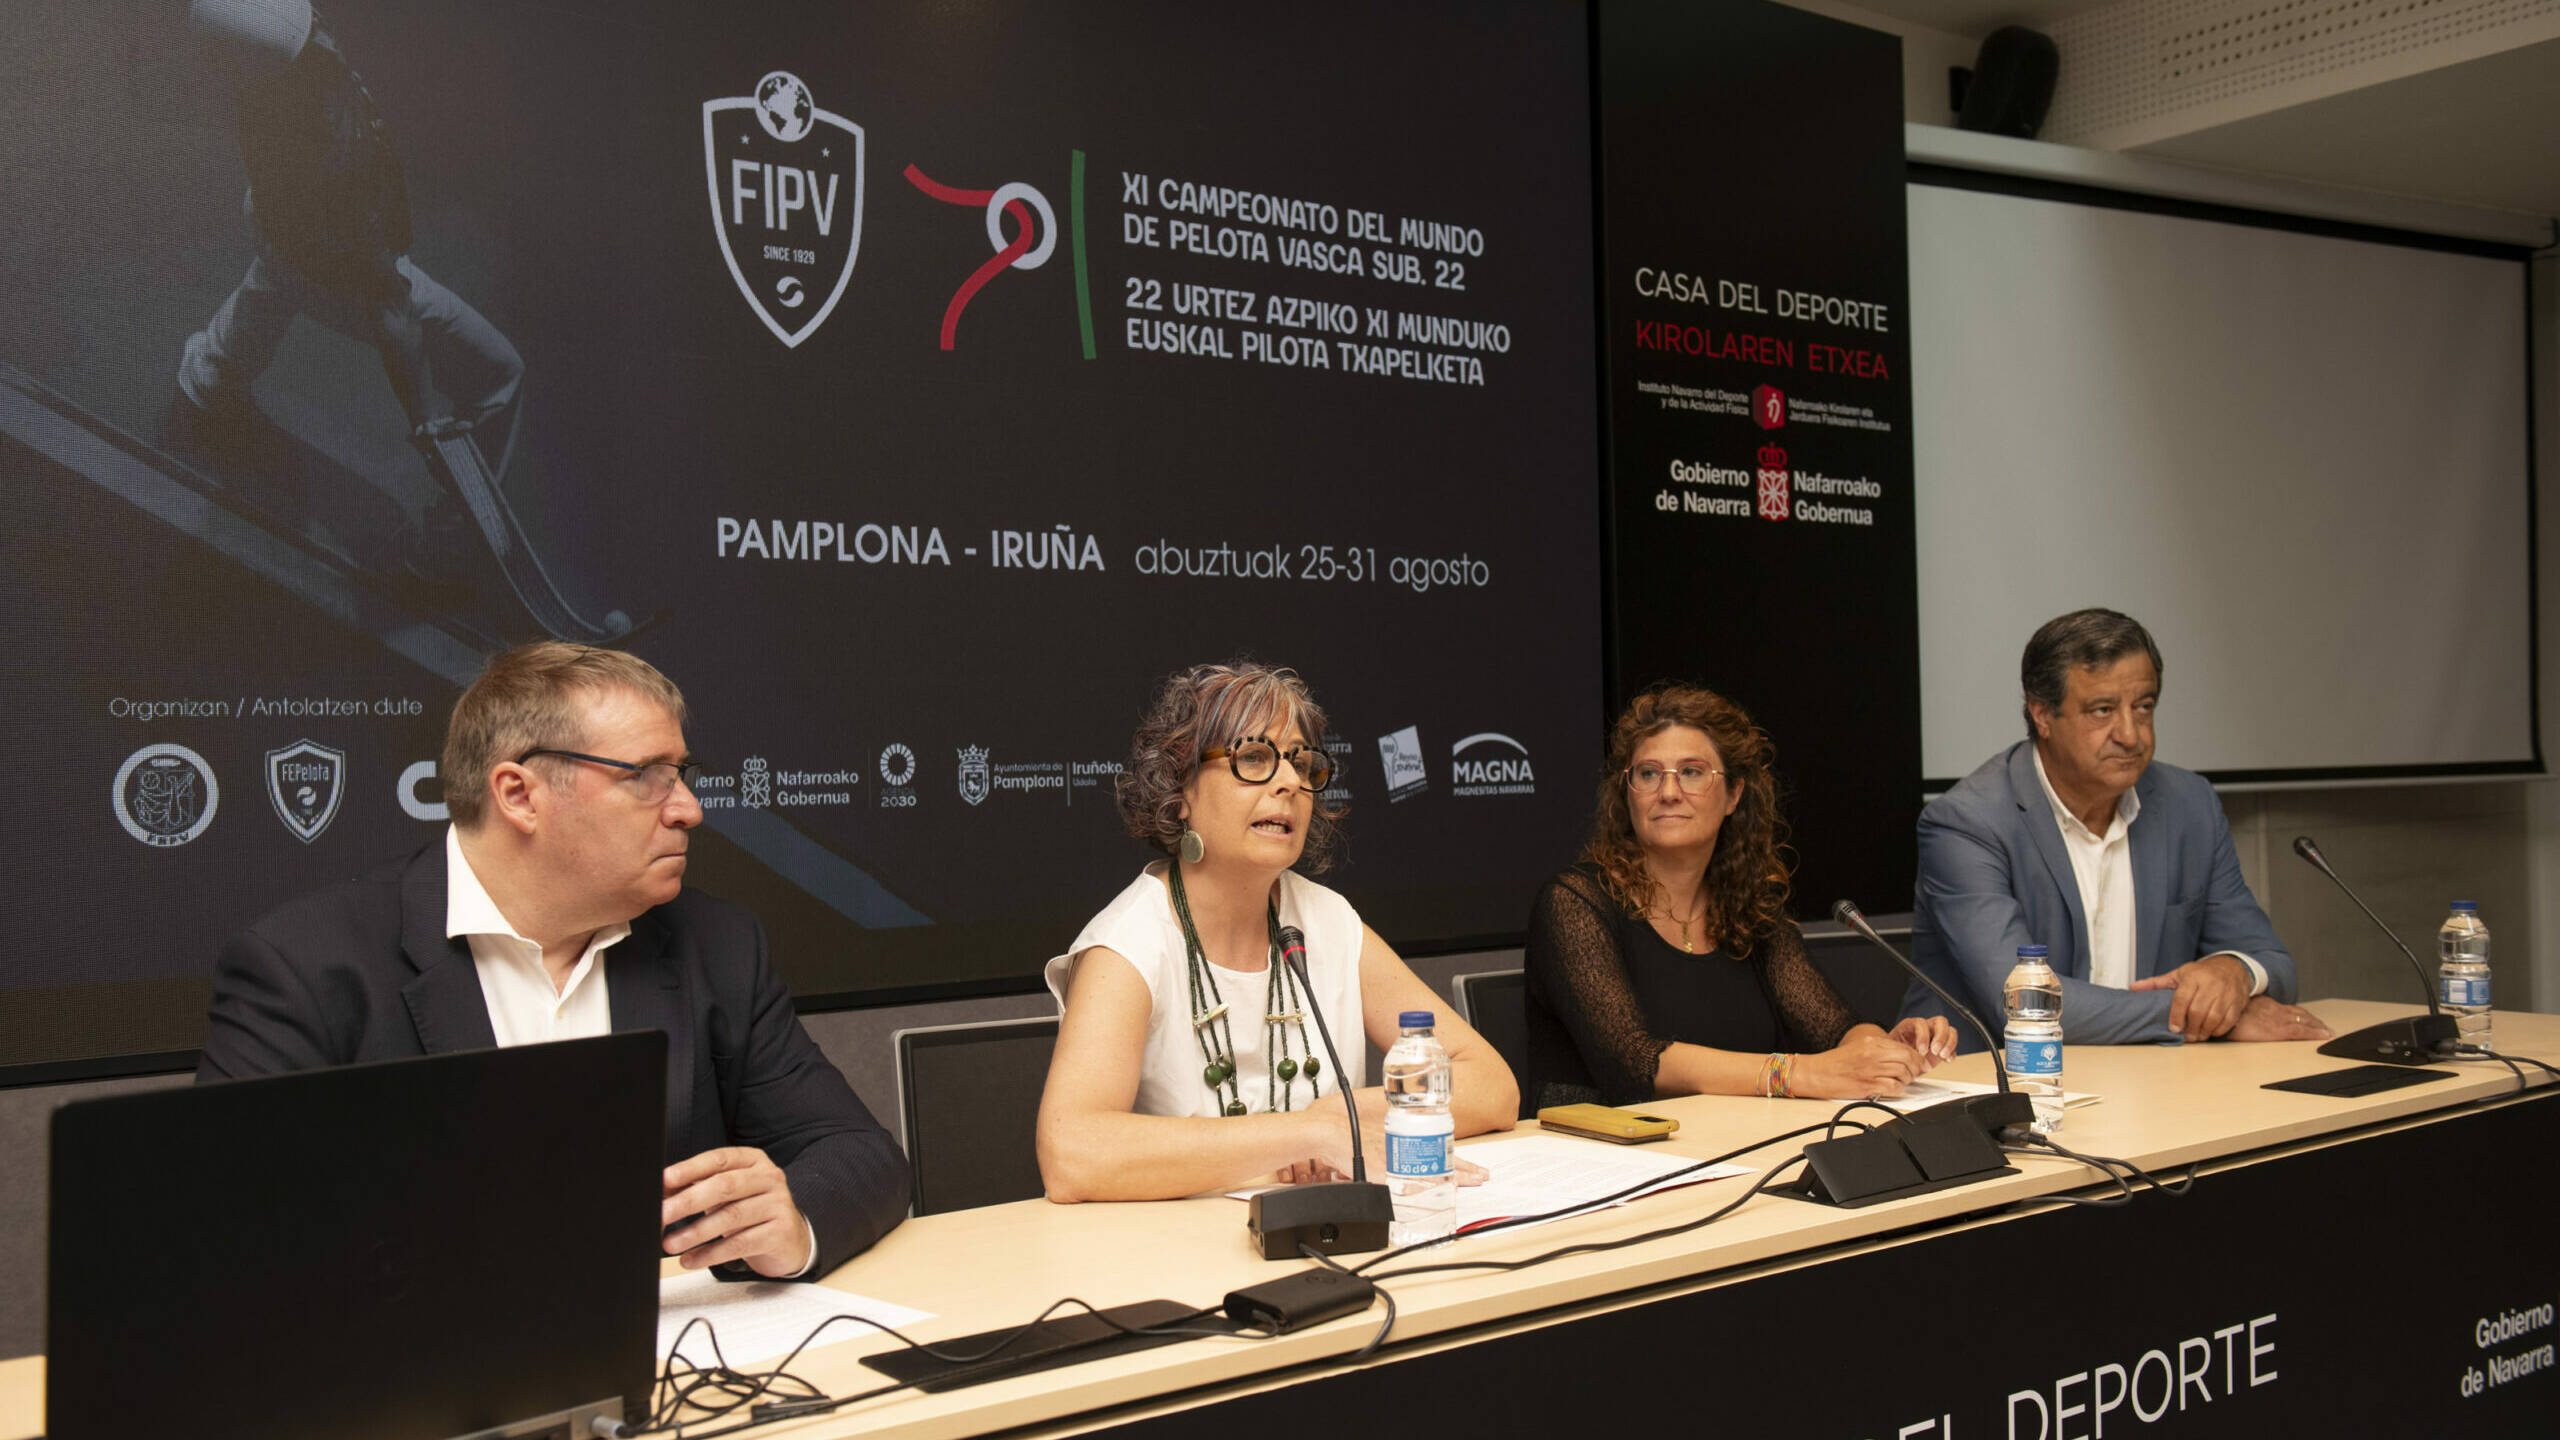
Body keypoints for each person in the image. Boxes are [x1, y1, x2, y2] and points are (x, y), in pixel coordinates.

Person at [198, 642, 909, 1279]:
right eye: (648, 777)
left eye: (682, 773)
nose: (689, 808)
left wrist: (792, 1223)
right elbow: (224, 1236)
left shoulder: (715, 945)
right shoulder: (308, 968)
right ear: (519, 794)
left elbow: (859, 1154)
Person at [1036, 661, 1519, 1202]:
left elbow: (1492, 1086)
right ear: (1181, 790)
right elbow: (1070, 1152)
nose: (1290, 782)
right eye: (1254, 758)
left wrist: (1337, 1118)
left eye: (1301, 763)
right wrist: (1302, 1135)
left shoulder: (1327, 921)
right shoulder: (1128, 944)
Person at [1904, 608, 2332, 1048]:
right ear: (2042, 716)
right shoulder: (1967, 823)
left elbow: (2274, 964)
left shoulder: (2190, 805)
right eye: (2102, 710)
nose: (2131, 735)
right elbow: (2025, 1003)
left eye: (2143, 707)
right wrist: (2207, 1015)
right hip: (1995, 1090)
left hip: (2150, 1085)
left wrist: (2236, 973)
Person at [1524, 685, 1957, 1111]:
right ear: (1627, 793)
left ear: (1733, 794)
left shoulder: (1750, 908)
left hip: (1733, 1148)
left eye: (1692, 772)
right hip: (1613, 1158)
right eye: (1648, 773)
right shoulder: (1574, 903)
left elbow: (1831, 1028)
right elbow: (1632, 1062)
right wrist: (1799, 1074)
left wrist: (1879, 1049)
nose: (1668, 792)